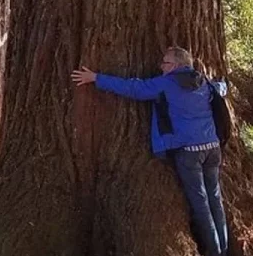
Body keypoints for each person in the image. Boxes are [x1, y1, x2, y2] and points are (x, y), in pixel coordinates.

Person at [71, 47, 228, 256]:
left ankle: (216, 253)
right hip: (212, 148)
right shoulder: (204, 82)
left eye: (164, 63)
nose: (161, 66)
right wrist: (225, 84)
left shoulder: (166, 83)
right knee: (215, 200)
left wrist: (96, 78)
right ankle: (224, 249)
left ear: (176, 66)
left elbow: (133, 88)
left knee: (201, 205)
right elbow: (220, 88)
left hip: (189, 152)